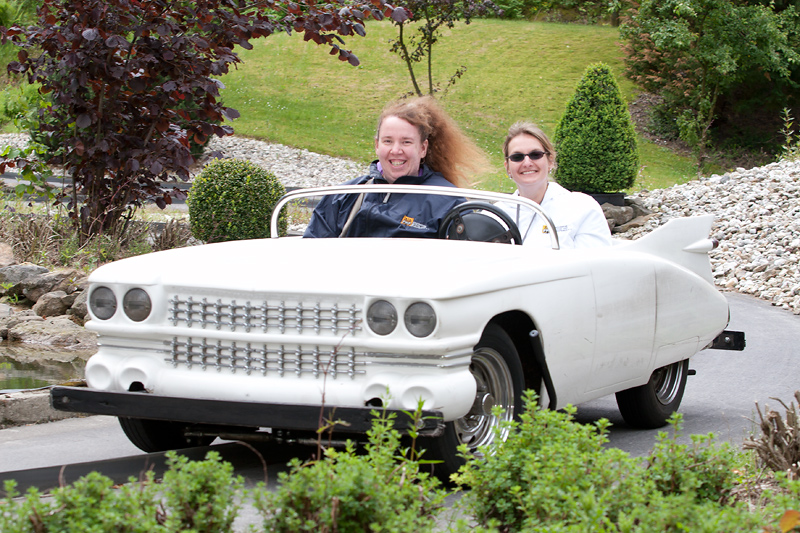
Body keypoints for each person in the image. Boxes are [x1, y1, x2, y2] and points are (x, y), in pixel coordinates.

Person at [303, 96, 489, 238]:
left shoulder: (448, 202)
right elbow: (312, 254)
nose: (396, 150)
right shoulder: (343, 197)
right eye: (388, 141)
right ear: (377, 145)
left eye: (406, 142)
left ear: (422, 148)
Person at [498, 121, 612, 249]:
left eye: (535, 155)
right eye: (517, 157)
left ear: (550, 160)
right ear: (508, 167)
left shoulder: (582, 207)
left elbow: (595, 259)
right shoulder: (496, 215)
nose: (527, 163)